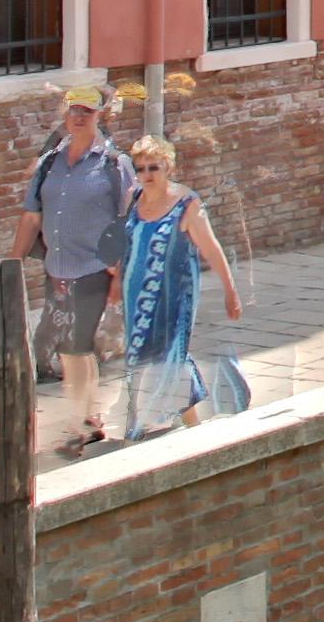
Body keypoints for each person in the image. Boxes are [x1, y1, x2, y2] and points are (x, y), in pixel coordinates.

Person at [17, 92, 132, 455]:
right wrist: (10, 263)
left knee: (76, 344)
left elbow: (128, 218)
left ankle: (78, 423)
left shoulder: (114, 164)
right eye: (73, 111)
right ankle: (89, 418)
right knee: (72, 349)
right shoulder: (50, 162)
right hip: (59, 269)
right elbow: (31, 215)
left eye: (87, 111)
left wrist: (118, 273)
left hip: (96, 267)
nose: (79, 117)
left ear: (101, 115)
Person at [114, 139, 249, 441]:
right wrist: (115, 280)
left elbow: (211, 249)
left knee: (170, 353)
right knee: (140, 352)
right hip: (136, 291)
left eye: (154, 167)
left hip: (175, 293)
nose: (147, 175)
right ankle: (186, 422)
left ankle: (140, 425)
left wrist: (231, 291)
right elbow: (127, 245)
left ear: (168, 167)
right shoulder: (134, 198)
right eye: (141, 169)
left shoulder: (187, 204)